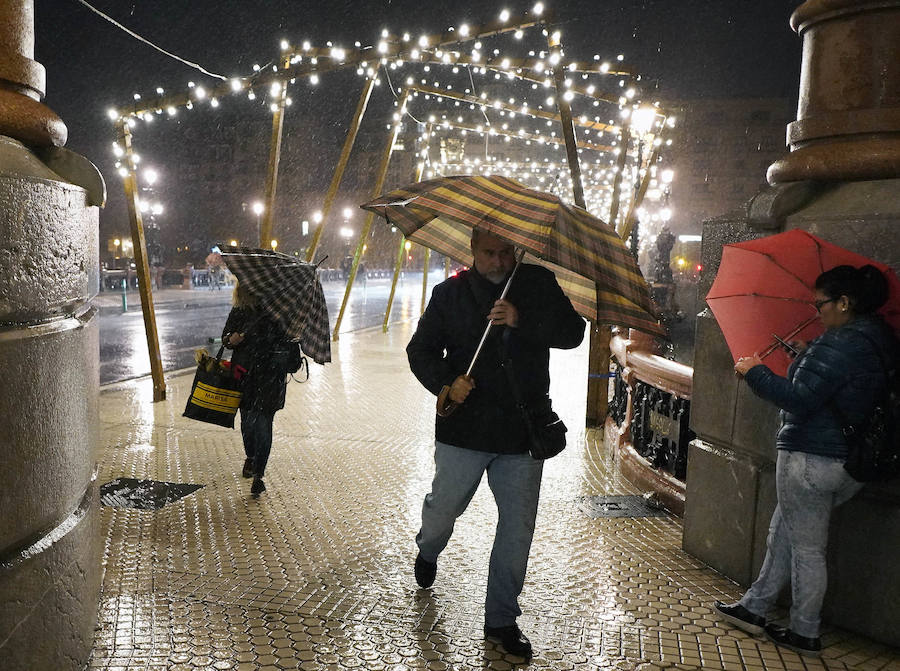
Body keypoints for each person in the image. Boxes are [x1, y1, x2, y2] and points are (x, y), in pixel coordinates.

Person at [406, 228, 585, 659]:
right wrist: (448, 382)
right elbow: (420, 351)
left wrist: (523, 319)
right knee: (443, 510)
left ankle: (501, 619)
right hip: (464, 430)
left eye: (506, 252)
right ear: (473, 250)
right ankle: (428, 548)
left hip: (521, 431)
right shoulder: (449, 294)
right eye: (489, 253)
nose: (499, 261)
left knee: (517, 528)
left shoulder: (536, 283)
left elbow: (572, 332)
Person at [716, 264, 897, 656]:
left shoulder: (838, 343)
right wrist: (804, 356)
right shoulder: (879, 340)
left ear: (844, 302)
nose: (818, 312)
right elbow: (840, 386)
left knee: (808, 550)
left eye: (821, 304)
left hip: (812, 458)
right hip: (848, 462)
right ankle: (754, 607)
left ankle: (805, 631)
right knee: (784, 532)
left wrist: (755, 372)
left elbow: (798, 399)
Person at [222, 282, 295, 497]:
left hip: (268, 377)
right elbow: (226, 337)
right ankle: (252, 459)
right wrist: (231, 339)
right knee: (249, 422)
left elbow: (290, 343)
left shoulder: (280, 310)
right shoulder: (242, 309)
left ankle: (258, 473)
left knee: (261, 424)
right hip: (247, 375)